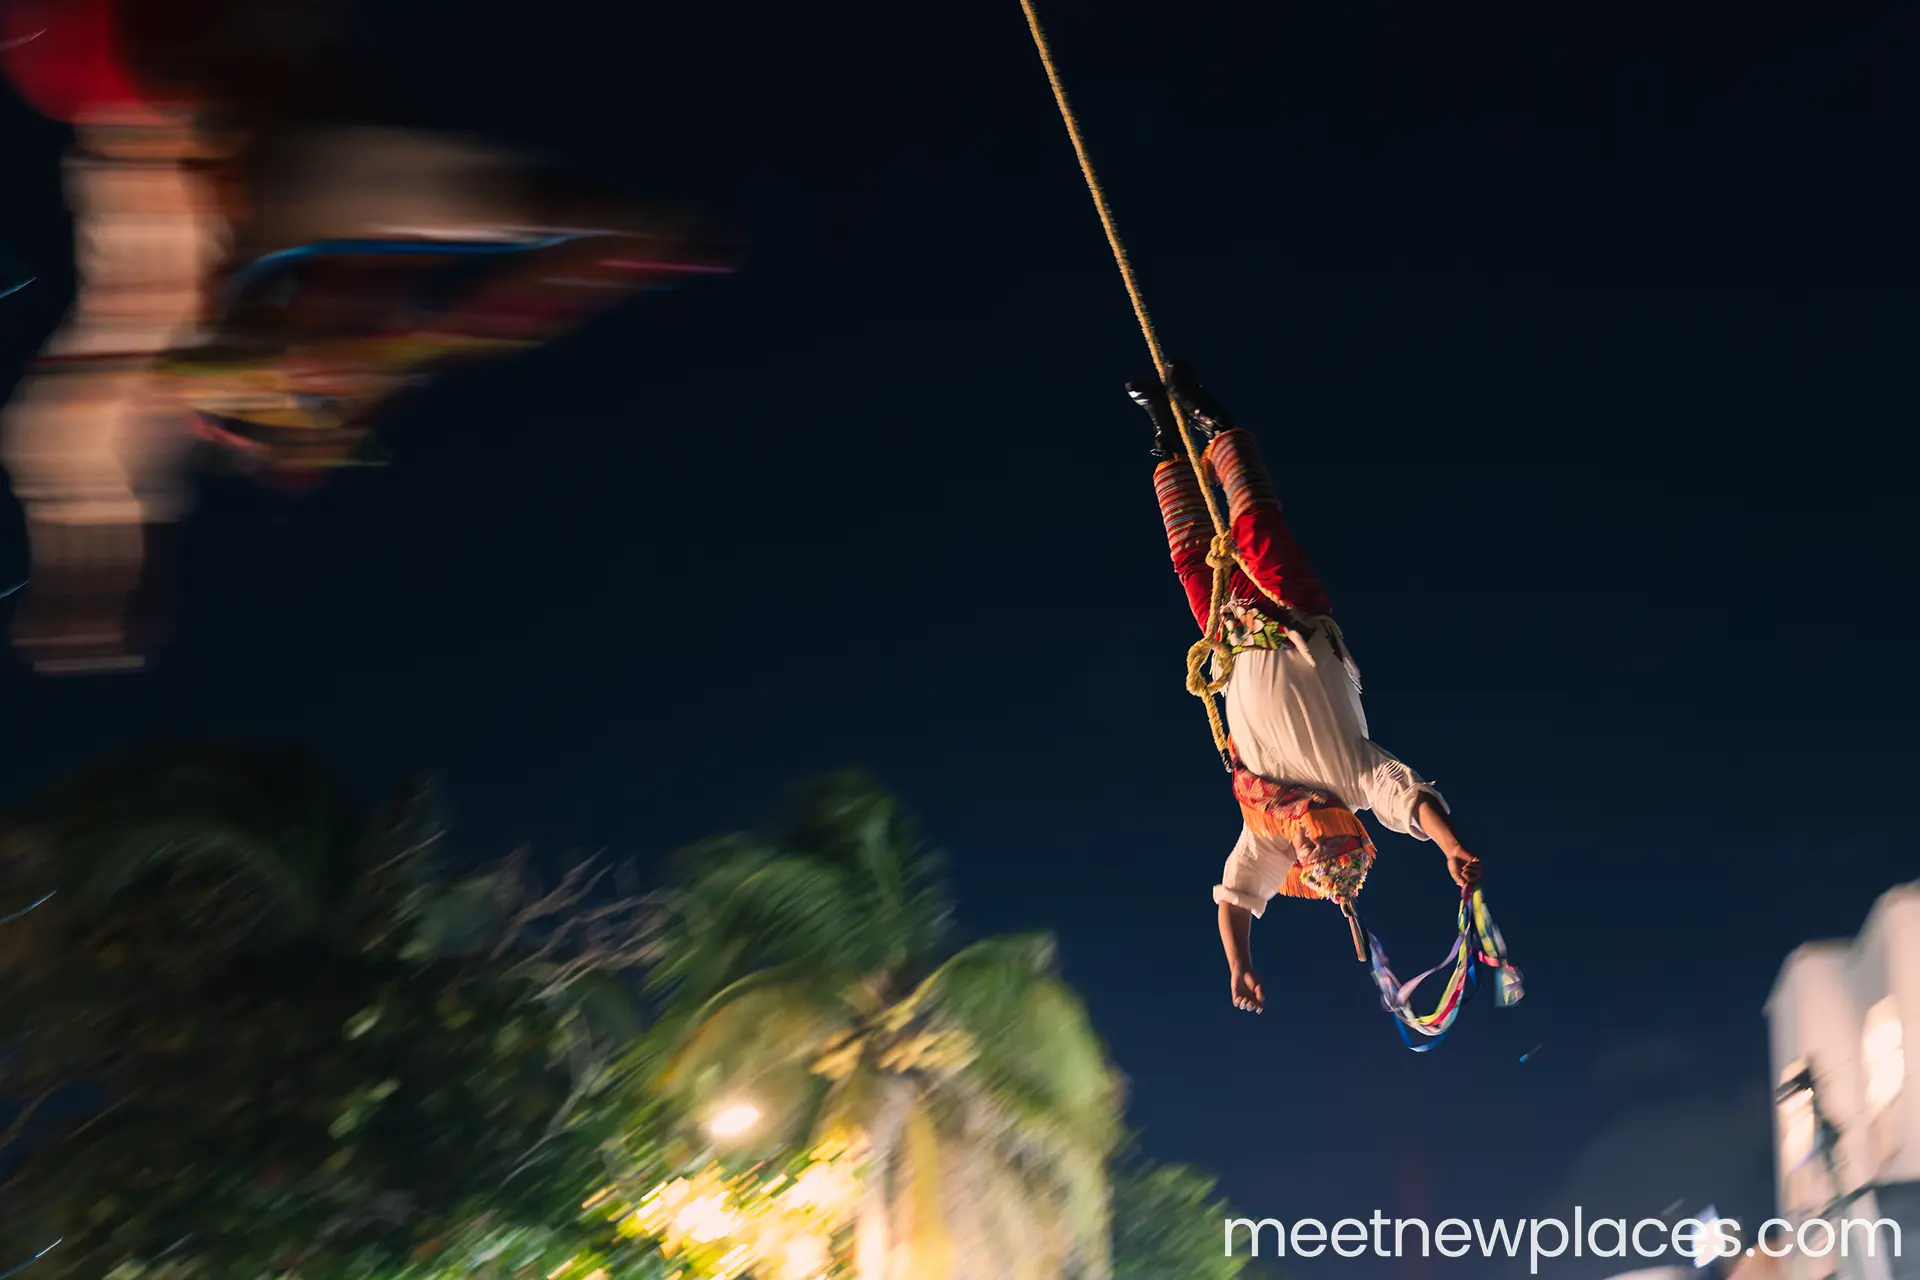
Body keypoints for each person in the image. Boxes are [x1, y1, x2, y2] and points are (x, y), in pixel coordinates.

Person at [1128, 365, 1484, 1015]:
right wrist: (1452, 847)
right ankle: (1218, 424)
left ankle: (1164, 435)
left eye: (1316, 855)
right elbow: (1412, 802)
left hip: (1232, 637)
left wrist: (1241, 966)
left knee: (1189, 556)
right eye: (1338, 845)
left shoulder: (1267, 833)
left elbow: (1235, 901)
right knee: (1255, 529)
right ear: (1351, 831)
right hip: (1292, 617)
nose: (1319, 846)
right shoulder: (1356, 779)